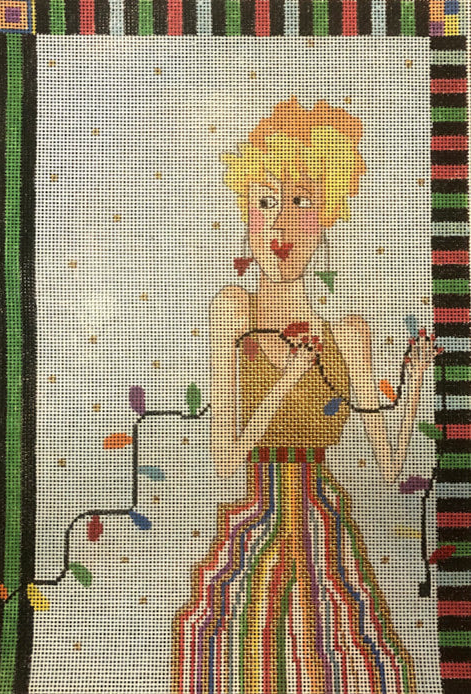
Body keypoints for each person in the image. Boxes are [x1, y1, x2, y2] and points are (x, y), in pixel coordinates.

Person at [171, 96, 437, 694]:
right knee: (237, 653)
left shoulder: (348, 334)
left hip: (325, 527)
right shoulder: (233, 311)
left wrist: (415, 380)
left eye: (302, 202)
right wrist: (289, 380)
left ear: (329, 218)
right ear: (245, 215)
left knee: (347, 657)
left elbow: (390, 467)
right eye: (266, 202)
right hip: (258, 518)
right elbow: (224, 461)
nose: (282, 226)